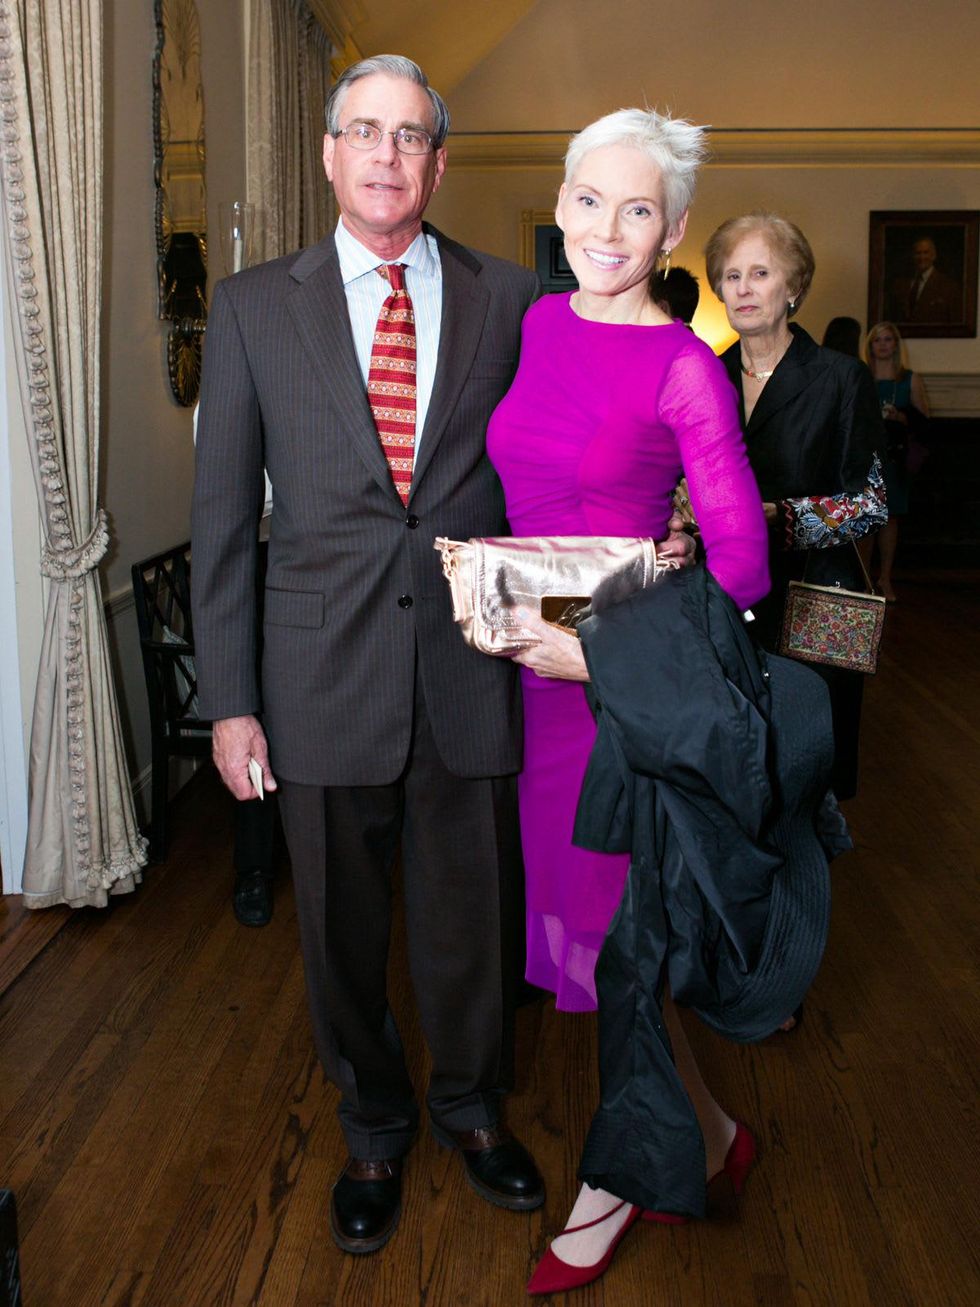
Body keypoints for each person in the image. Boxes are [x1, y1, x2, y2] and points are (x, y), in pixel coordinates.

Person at [191, 54, 550, 1257]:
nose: (385, 155)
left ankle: (470, 1106)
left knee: (471, 919)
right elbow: (222, 520)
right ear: (331, 154)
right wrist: (231, 703)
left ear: (437, 163)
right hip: (314, 677)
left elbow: (546, 470)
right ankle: (373, 1122)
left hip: (467, 668)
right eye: (363, 131)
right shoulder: (249, 308)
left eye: (409, 136)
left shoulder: (510, 299)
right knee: (339, 930)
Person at [485, 108, 776, 1292]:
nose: (609, 228)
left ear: (676, 230)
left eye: (639, 208)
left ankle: (618, 1174)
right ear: (561, 202)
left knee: (622, 947)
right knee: (591, 940)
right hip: (528, 690)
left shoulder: (682, 364)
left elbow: (745, 565)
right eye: (591, 201)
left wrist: (638, 595)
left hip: (613, 702)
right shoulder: (537, 322)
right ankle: (710, 1135)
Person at [705, 212, 888, 802]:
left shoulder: (842, 378)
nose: (743, 288)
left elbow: (870, 503)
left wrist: (778, 517)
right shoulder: (703, 373)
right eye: (731, 275)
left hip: (817, 598)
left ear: (794, 288)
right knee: (732, 766)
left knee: (808, 776)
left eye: (761, 272)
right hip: (725, 595)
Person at [862, 321, 931, 602]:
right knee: (865, 518)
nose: (883, 345)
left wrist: (900, 417)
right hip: (865, 457)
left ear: (895, 345)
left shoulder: (909, 378)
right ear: (870, 345)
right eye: (877, 340)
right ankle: (864, 578)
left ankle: (885, 579)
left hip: (895, 457)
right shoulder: (861, 375)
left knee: (890, 518)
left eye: (888, 339)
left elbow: (924, 423)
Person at [889, 235, 962, 325]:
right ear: (913, 256)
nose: (921, 257)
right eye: (918, 253)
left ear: (934, 255)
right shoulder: (900, 284)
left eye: (926, 253)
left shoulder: (948, 286)